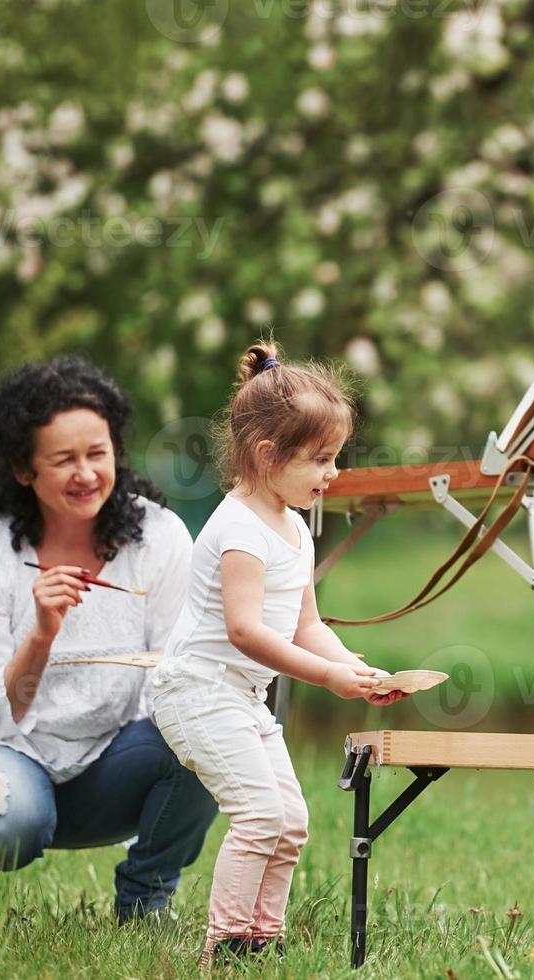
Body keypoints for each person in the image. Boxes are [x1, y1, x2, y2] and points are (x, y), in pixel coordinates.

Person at [0, 356, 218, 921]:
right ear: (23, 468)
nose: (86, 474)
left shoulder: (159, 538)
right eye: (64, 460)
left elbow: (175, 676)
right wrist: (41, 635)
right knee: (6, 819)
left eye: (97, 454)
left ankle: (146, 902)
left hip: (102, 766)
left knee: (209, 735)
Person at [149, 339, 407, 965]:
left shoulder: (293, 526)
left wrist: (352, 668)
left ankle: (262, 943)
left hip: (240, 696)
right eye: (320, 459)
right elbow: (247, 632)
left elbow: (305, 622)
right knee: (260, 816)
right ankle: (227, 946)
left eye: (335, 458)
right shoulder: (238, 529)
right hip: (199, 691)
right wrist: (326, 677)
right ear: (268, 455)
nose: (332, 474)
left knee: (289, 822)